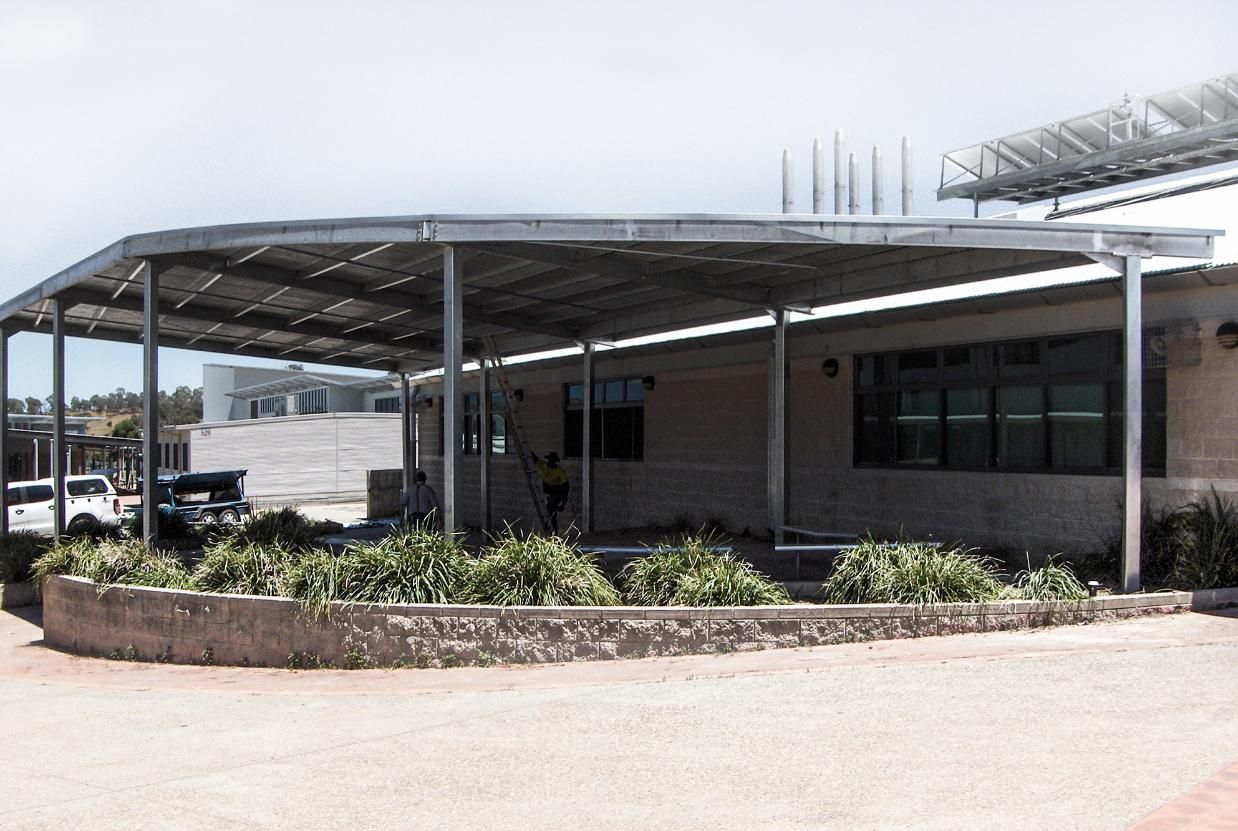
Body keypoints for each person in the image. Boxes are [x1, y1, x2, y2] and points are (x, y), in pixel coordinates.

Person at [532, 451, 570, 533]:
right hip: (547, 491)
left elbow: (565, 488)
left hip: (556, 491)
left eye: (552, 460)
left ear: (555, 461)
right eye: (549, 460)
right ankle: (552, 530)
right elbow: (536, 459)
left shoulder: (560, 471)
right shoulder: (544, 466)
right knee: (551, 512)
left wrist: (562, 504)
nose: (550, 462)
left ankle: (552, 531)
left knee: (551, 510)